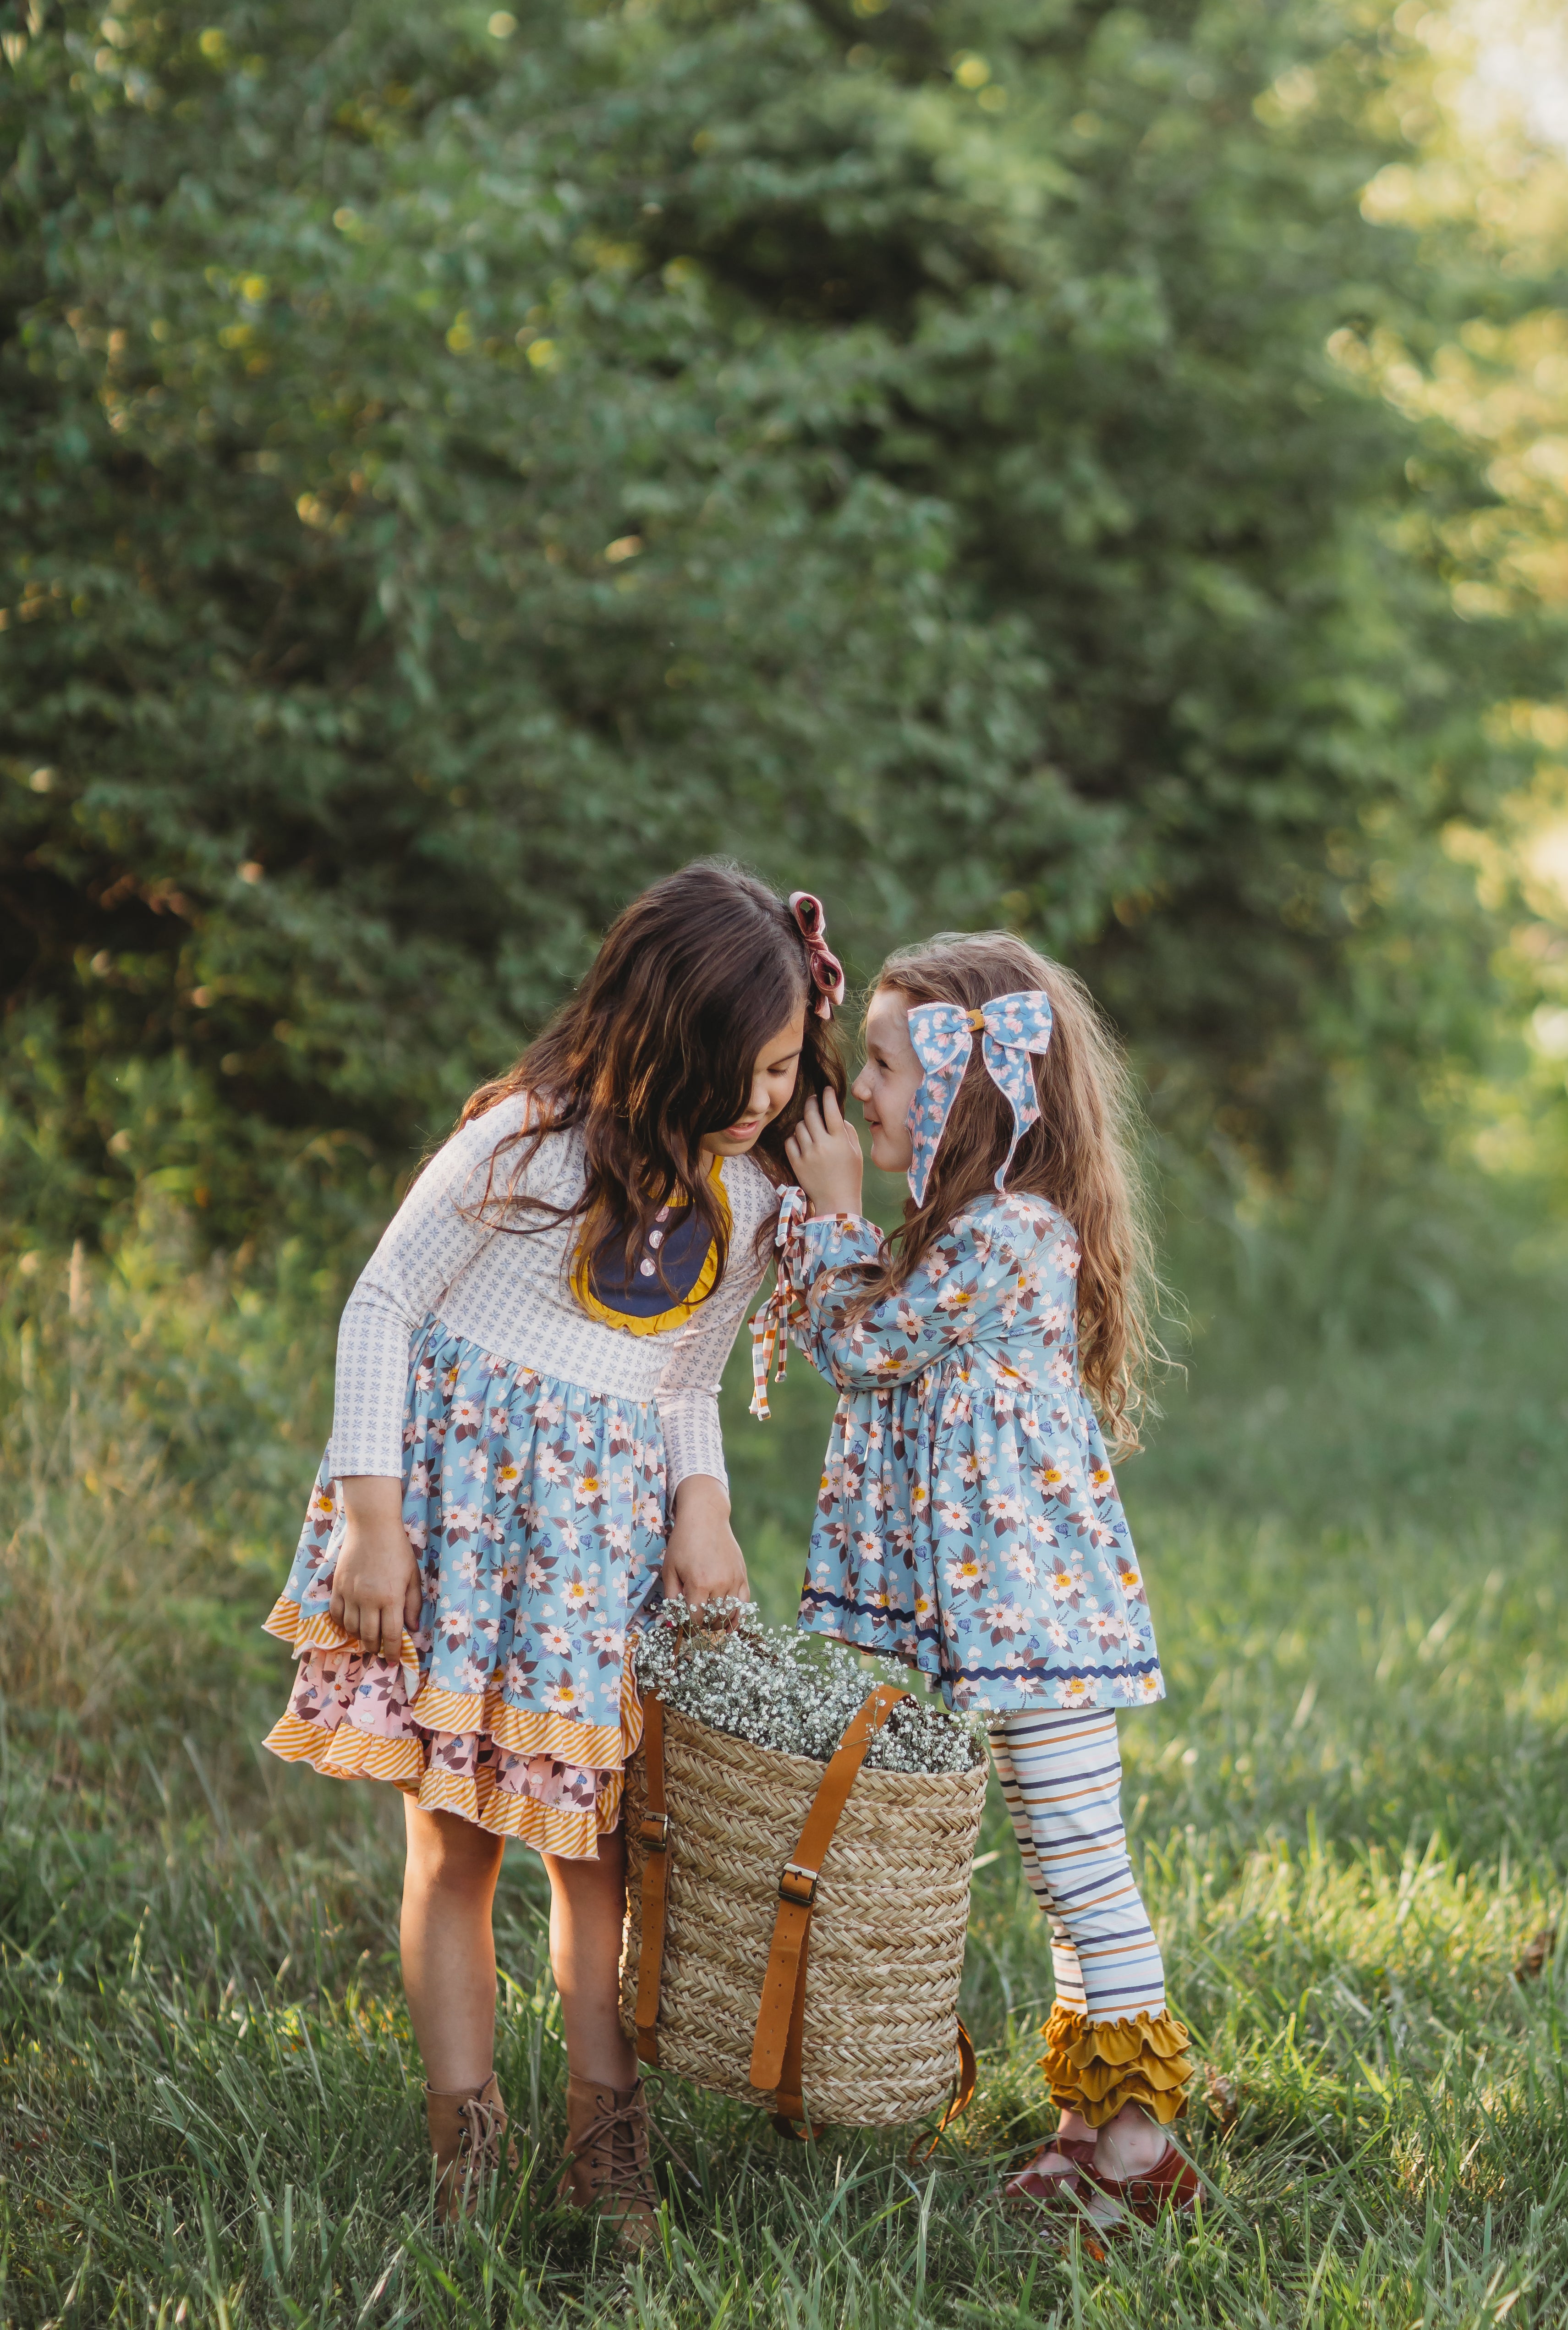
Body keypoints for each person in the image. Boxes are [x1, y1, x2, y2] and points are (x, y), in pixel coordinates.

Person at [262, 863, 846, 2237]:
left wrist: (701, 1499)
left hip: (599, 1568)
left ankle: (608, 2149)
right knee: (455, 1850)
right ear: (668, 1037)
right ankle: (463, 2143)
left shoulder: (750, 1201)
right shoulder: (522, 1145)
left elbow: (685, 1374)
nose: (767, 1099)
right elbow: (380, 1304)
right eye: (746, 1068)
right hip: (462, 1540)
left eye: (786, 1069)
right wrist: (372, 1515)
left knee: (604, 1859)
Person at [759, 930, 1195, 2230]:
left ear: (968, 1085)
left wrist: (833, 1212)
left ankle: (1139, 2145)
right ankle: (1095, 2119)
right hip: (1017, 1628)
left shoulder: (1009, 1231)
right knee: (1063, 1867)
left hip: (1045, 1627)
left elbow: (865, 1342)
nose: (869, 1094)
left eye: (888, 1067)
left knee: (1081, 1861)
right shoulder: (978, 1223)